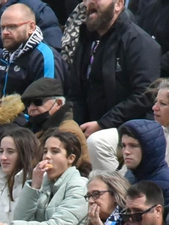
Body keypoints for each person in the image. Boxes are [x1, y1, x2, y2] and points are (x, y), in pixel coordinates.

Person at [64, 0, 159, 135]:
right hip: (89, 126)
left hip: (129, 130)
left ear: (118, 5)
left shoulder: (139, 42)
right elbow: (75, 93)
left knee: (96, 143)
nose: (89, 3)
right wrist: (72, 127)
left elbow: (144, 95)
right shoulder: (85, 40)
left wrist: (103, 124)